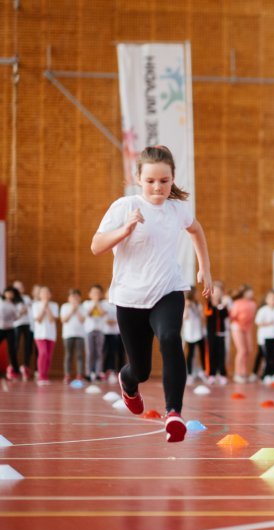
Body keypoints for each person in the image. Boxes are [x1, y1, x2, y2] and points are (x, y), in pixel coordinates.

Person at [91, 145, 212, 443]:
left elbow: (196, 231)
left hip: (168, 289)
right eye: (151, 181)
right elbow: (96, 246)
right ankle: (128, 381)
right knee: (141, 369)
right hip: (129, 298)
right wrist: (126, 229)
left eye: (164, 180)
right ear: (138, 179)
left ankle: (174, 414)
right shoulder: (123, 206)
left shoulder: (177, 210)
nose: (158, 187)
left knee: (171, 338)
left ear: (172, 179)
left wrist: (204, 269)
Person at [254, 290, 274, 384]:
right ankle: (266, 375)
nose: (272, 300)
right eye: (270, 298)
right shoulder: (263, 310)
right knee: (267, 357)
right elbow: (258, 322)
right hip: (265, 337)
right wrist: (268, 323)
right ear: (267, 300)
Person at [229, 284, 258, 384]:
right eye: (249, 291)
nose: (251, 293)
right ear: (244, 293)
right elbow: (233, 316)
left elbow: (252, 317)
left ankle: (244, 372)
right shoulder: (237, 303)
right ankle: (238, 373)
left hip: (247, 328)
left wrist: (246, 326)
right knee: (241, 350)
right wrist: (240, 324)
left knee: (249, 350)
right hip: (237, 328)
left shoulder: (253, 304)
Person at [83, 284, 111, 382]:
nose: (96, 294)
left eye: (98, 293)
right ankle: (89, 373)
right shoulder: (86, 303)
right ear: (89, 294)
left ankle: (98, 372)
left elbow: (103, 313)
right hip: (89, 331)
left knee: (99, 352)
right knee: (90, 352)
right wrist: (94, 303)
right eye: (94, 293)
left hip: (100, 331)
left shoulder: (104, 304)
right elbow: (88, 313)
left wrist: (97, 303)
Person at [32, 286, 59, 385]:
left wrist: (47, 307)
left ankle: (45, 375)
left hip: (51, 335)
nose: (45, 294)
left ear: (50, 295)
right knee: (42, 353)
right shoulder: (35, 305)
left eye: (47, 292)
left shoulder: (54, 305)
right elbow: (38, 319)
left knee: (48, 356)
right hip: (39, 335)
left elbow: (52, 319)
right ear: (39, 295)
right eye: (43, 293)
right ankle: (41, 376)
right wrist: (43, 306)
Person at [61, 289, 87, 382]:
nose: (74, 298)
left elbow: (82, 320)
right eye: (72, 296)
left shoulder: (83, 307)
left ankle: (80, 375)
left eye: (77, 296)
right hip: (68, 335)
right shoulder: (65, 306)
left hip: (80, 335)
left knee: (80, 355)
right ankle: (67, 375)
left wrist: (77, 309)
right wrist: (72, 309)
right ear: (69, 298)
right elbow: (64, 320)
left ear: (80, 298)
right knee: (68, 355)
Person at [205, 281, 229, 384]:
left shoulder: (223, 305)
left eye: (219, 291)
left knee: (221, 354)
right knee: (212, 353)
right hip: (211, 333)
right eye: (215, 291)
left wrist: (222, 306)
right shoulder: (208, 304)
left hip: (221, 333)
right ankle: (212, 374)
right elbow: (209, 315)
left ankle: (222, 374)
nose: (217, 293)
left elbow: (225, 315)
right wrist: (217, 308)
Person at [182, 287, 206, 384]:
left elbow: (202, 317)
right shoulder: (185, 304)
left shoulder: (197, 304)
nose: (198, 295)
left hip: (199, 332)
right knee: (190, 354)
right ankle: (190, 374)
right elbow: (185, 317)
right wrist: (187, 307)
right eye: (196, 293)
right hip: (189, 334)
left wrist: (194, 307)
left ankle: (203, 371)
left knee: (202, 353)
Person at [12, 281, 34, 380]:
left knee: (28, 346)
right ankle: (13, 368)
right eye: (16, 287)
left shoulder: (27, 298)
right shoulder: (12, 299)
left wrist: (27, 309)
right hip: (16, 324)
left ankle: (25, 367)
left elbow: (31, 310)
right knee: (15, 346)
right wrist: (21, 312)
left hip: (28, 324)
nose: (19, 289)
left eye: (20, 287)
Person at [1, 287, 22, 380]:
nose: (10, 295)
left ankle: (16, 371)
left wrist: (20, 313)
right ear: (5, 293)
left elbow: (16, 317)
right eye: (8, 292)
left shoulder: (14, 305)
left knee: (12, 350)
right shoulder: (1, 302)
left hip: (10, 329)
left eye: (11, 293)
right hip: (1, 329)